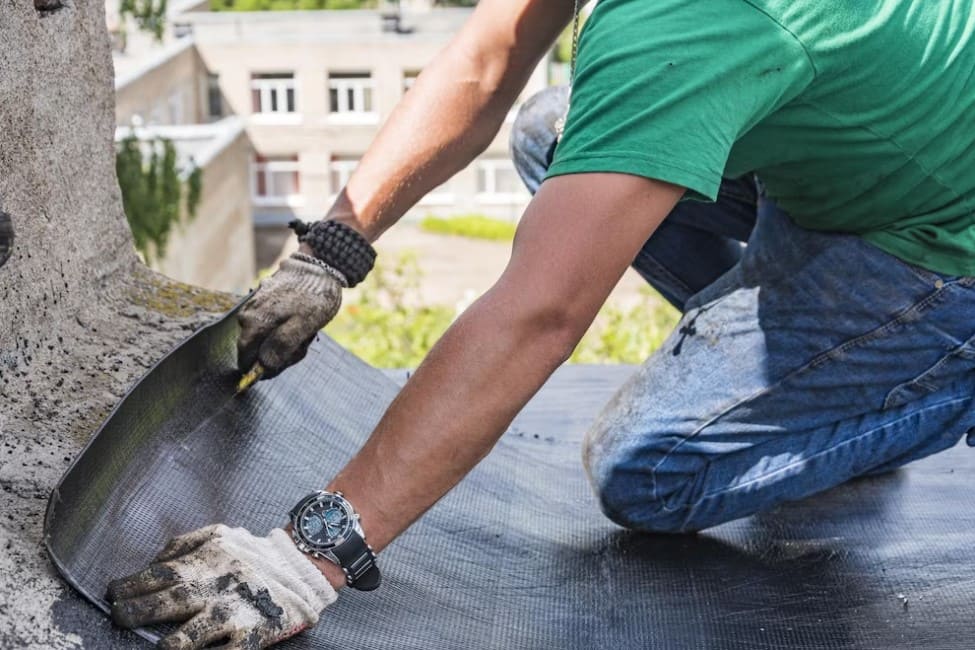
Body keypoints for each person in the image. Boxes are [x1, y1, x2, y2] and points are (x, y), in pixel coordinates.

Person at [107, 0, 975, 647]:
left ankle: (913, 374)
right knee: (558, 134)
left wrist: (311, 553)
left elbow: (541, 314)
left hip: (941, 246)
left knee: (649, 474)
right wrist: (330, 251)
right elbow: (486, 60)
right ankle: (826, 372)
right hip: (875, 153)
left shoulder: (692, 24)